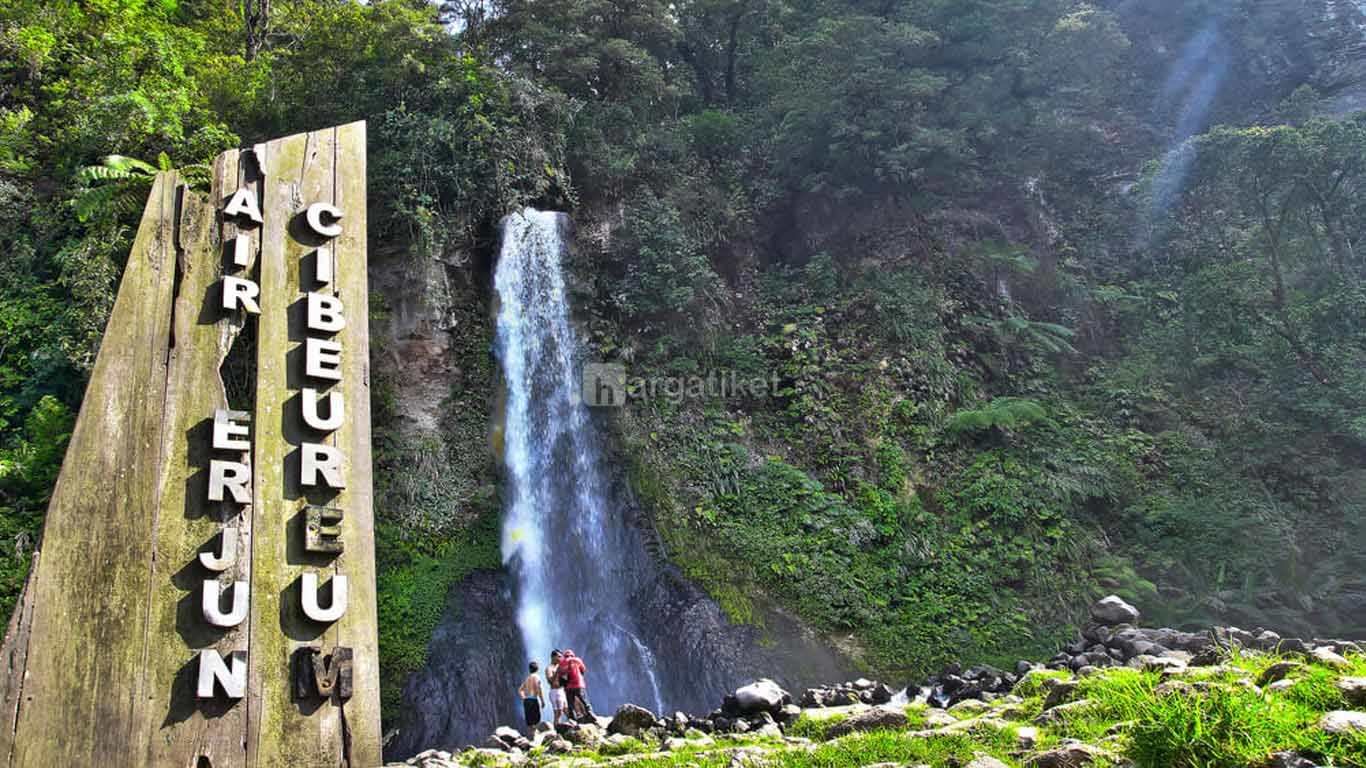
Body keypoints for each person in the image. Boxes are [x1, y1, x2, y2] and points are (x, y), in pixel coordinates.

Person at [556, 649, 594, 721]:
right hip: (579, 684)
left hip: (568, 687)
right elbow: (583, 670)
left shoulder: (562, 662)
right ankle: (590, 713)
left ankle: (572, 719)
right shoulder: (578, 660)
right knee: (584, 701)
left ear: (564, 656)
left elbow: (560, 675)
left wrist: (563, 684)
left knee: (570, 704)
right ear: (573, 655)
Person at [518, 661, 545, 733]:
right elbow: (538, 688)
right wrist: (542, 700)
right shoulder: (536, 677)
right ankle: (535, 735)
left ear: (529, 669)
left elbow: (520, 690)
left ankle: (531, 735)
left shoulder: (527, 678)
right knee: (536, 719)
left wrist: (524, 698)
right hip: (533, 700)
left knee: (529, 720)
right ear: (537, 669)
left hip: (527, 700)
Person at [546, 650, 569, 725]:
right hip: (555, 691)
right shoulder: (549, 668)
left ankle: (573, 727)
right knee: (558, 713)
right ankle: (557, 730)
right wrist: (557, 672)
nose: (561, 658)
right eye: (559, 656)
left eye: (561, 657)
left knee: (567, 711)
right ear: (553, 657)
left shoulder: (561, 667)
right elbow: (550, 681)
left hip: (561, 691)